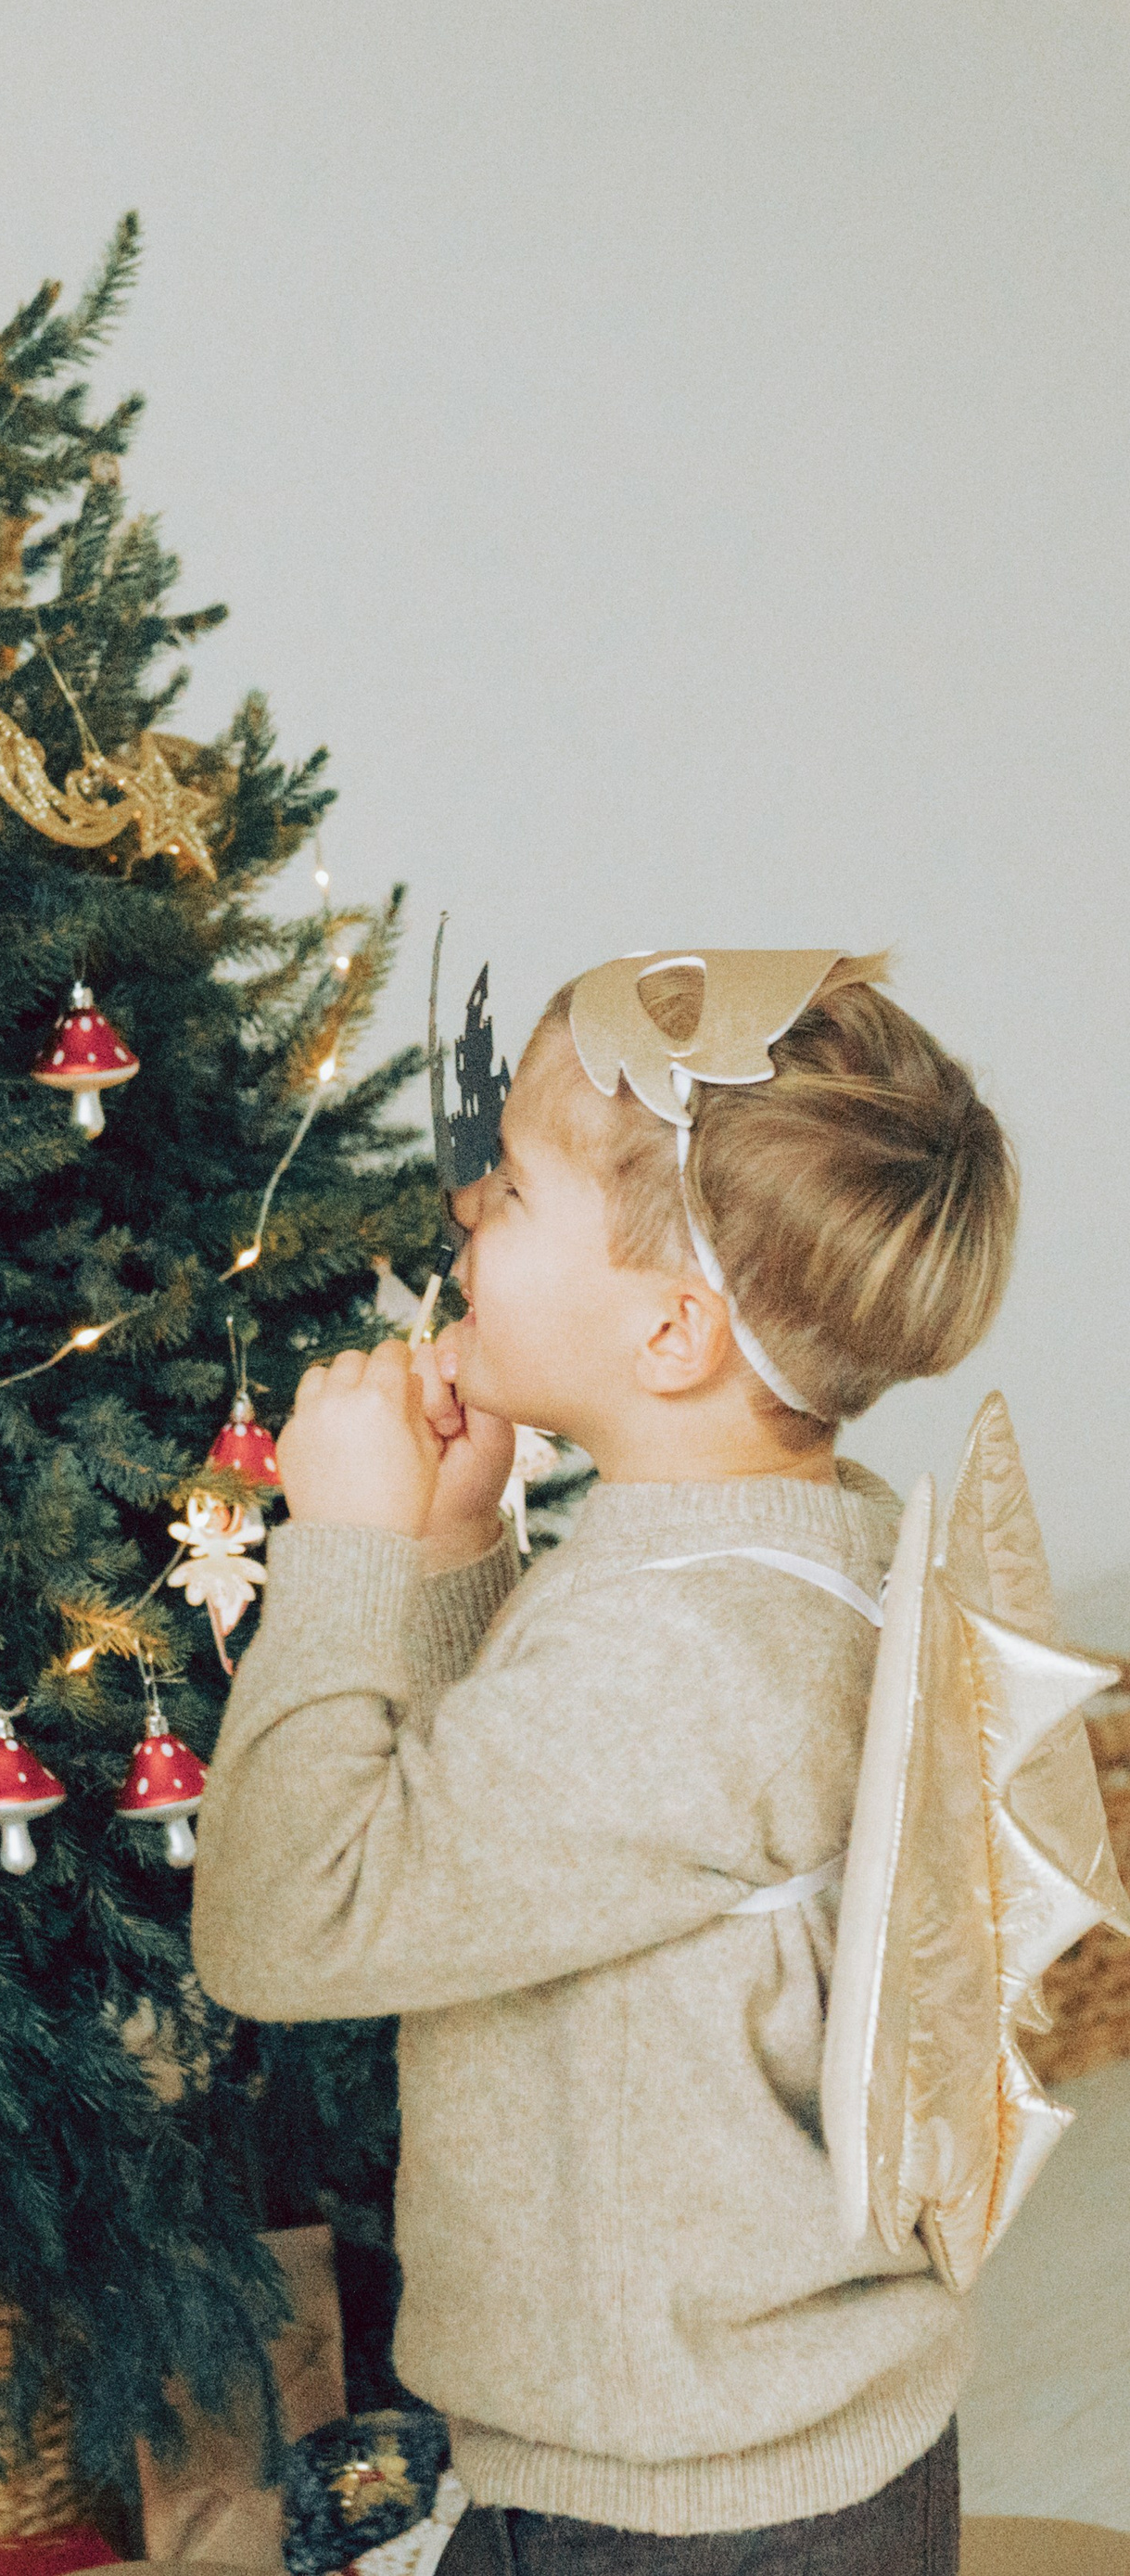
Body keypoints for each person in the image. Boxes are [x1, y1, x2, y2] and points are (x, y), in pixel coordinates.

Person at [194, 950, 1018, 2575]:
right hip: (769, 2463)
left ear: (672, 1330)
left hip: (685, 2518)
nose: (464, 1213)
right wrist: (459, 1556)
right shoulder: (778, 1554)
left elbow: (288, 1923)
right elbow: (510, 1853)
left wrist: (344, 1549)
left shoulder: (671, 1650)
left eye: (509, 1187)